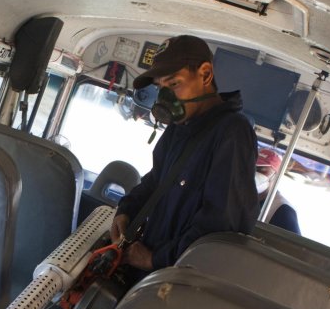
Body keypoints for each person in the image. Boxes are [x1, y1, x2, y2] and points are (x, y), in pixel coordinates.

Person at [110, 35, 258, 274]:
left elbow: (222, 228)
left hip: (179, 280)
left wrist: (155, 259)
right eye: (161, 88)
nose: (165, 98)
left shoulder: (233, 132)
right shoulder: (180, 126)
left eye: (174, 84)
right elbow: (157, 180)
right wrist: (127, 209)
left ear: (206, 74)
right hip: (151, 273)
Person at [255, 146, 302, 235]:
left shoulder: (282, 210)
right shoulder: (237, 196)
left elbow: (291, 247)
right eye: (251, 168)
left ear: (276, 177)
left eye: (261, 170)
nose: (254, 173)